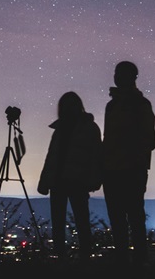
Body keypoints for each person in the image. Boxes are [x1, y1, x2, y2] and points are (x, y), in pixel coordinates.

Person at [102, 60, 155, 268]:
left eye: (121, 74)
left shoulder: (140, 105)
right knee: (119, 219)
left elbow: (149, 141)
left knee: (133, 218)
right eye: (116, 73)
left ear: (132, 77)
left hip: (131, 170)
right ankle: (124, 263)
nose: (116, 77)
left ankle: (137, 263)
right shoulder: (113, 105)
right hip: (114, 170)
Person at [37, 91, 102, 261]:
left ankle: (84, 257)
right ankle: (62, 256)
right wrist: (45, 181)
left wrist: (94, 179)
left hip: (77, 181)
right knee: (60, 222)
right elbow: (51, 157)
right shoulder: (61, 129)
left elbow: (96, 155)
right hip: (59, 181)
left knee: (80, 220)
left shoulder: (88, 128)